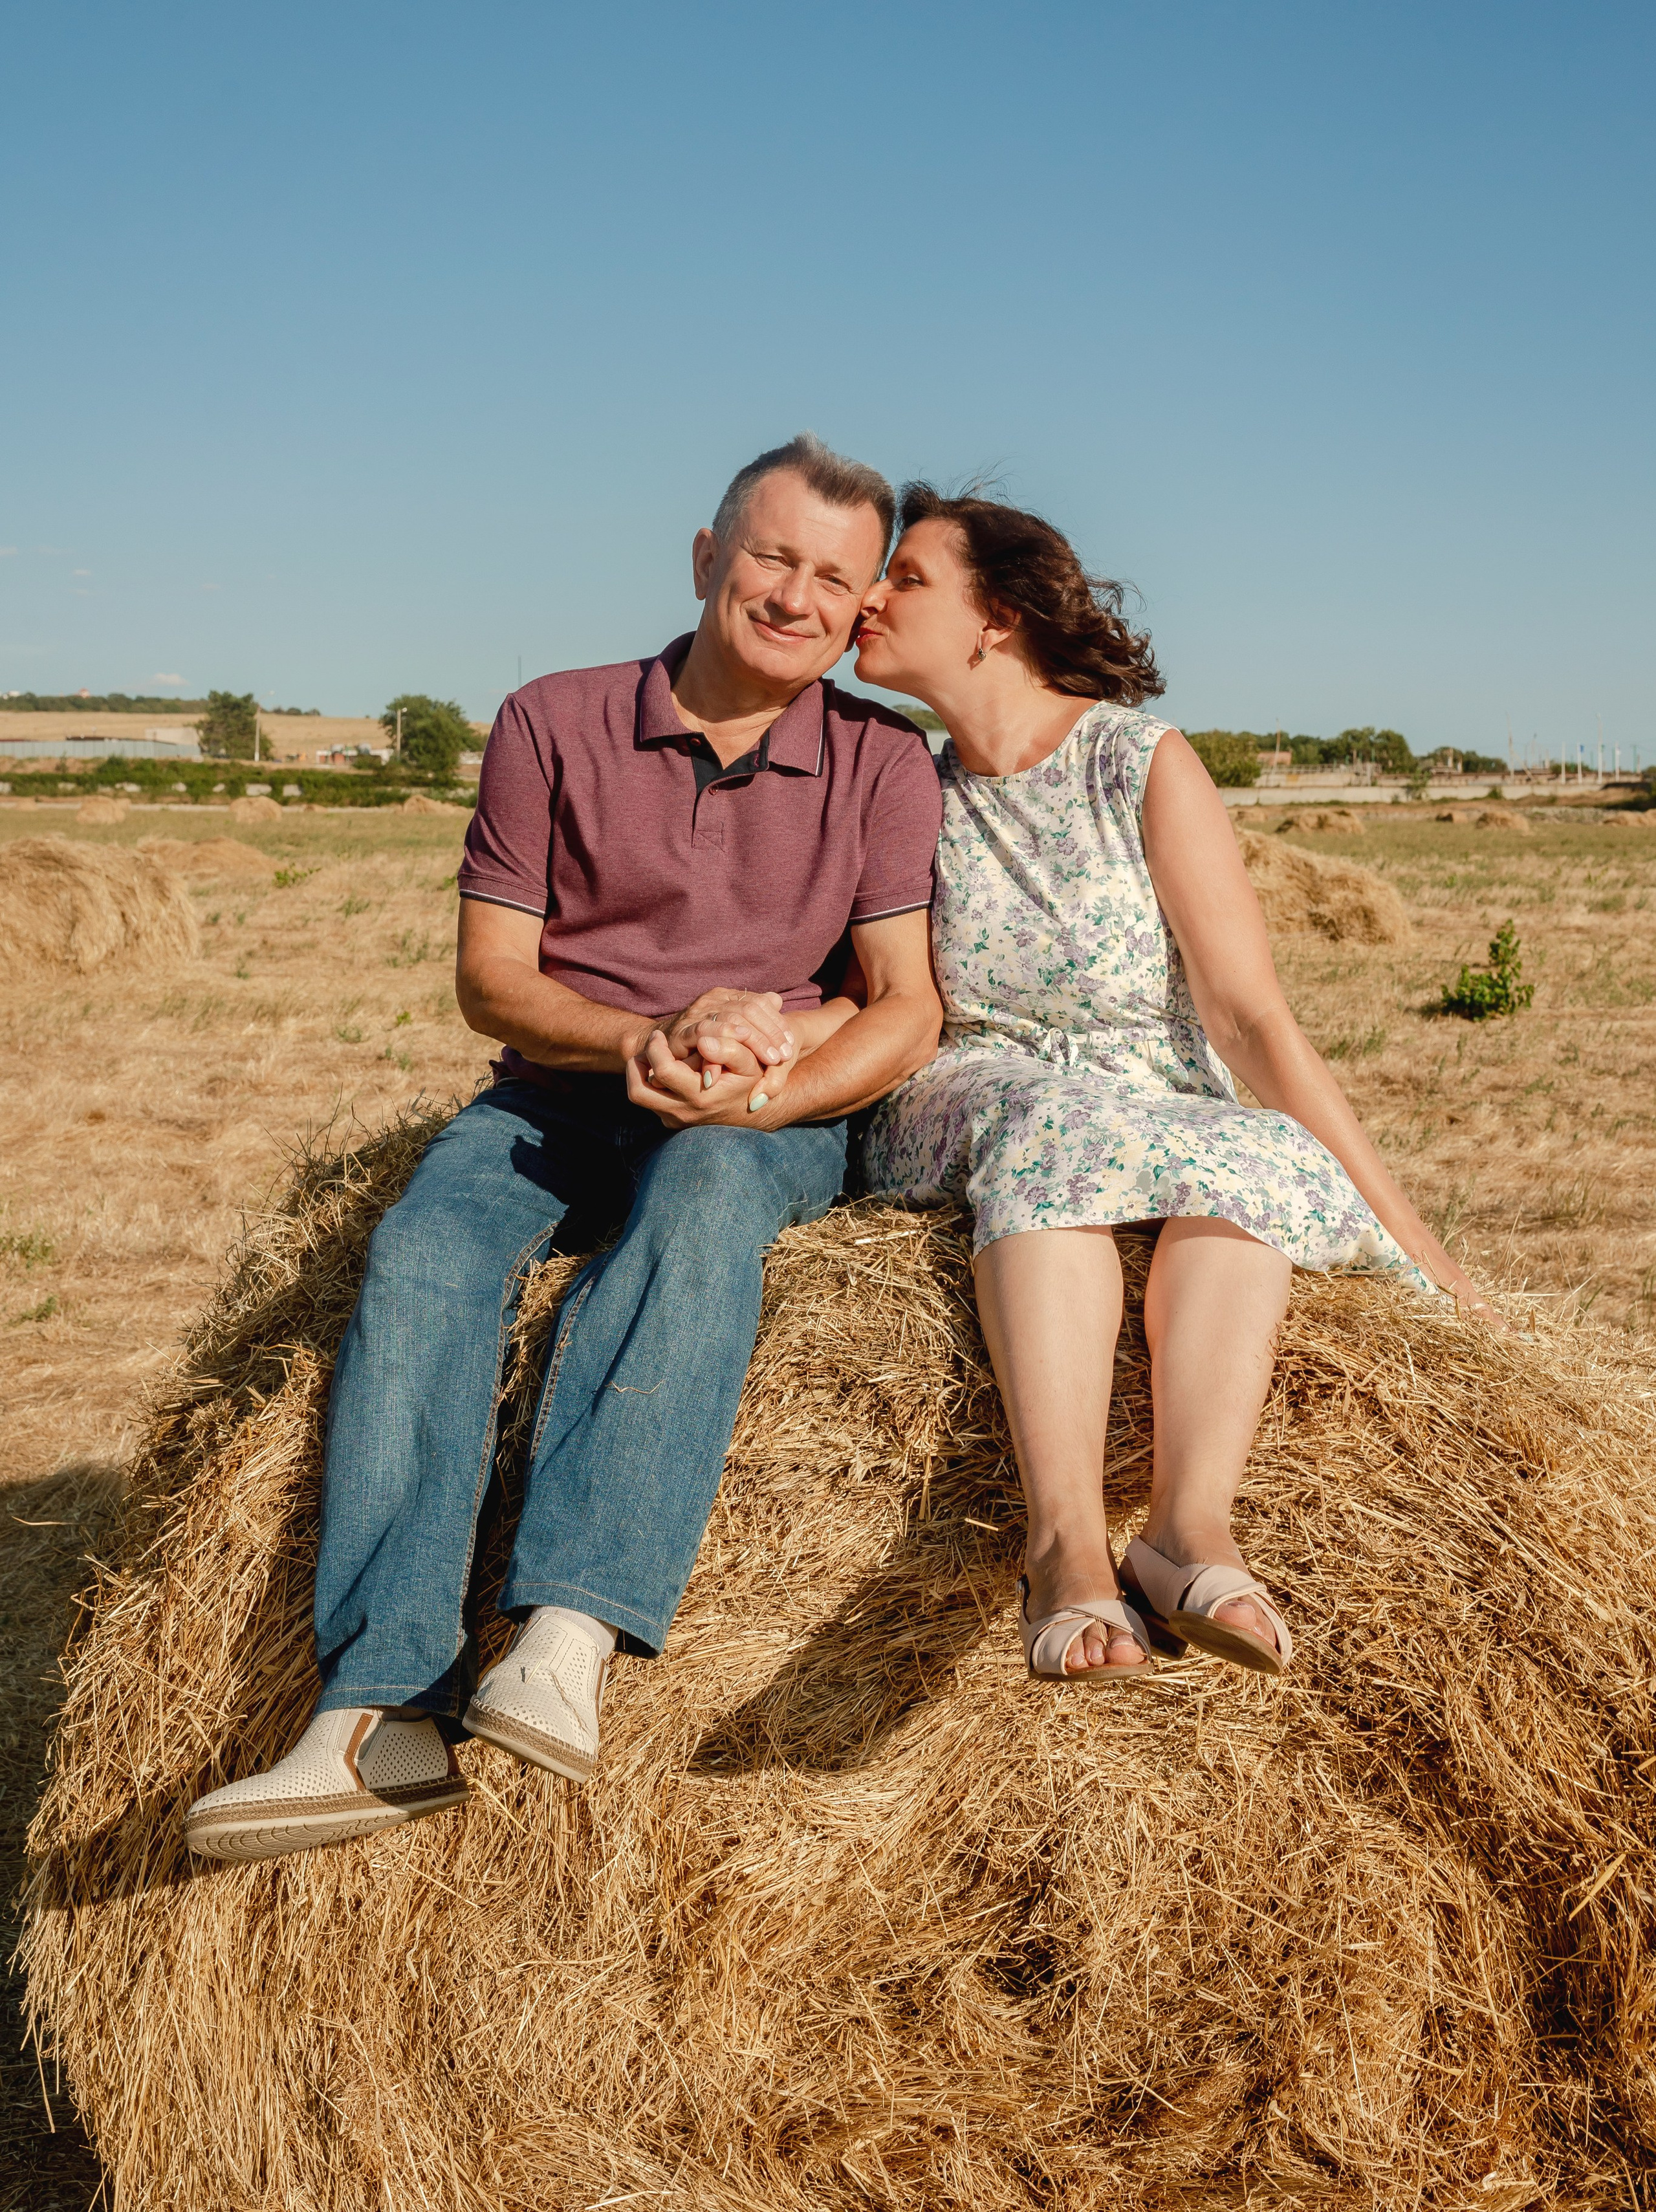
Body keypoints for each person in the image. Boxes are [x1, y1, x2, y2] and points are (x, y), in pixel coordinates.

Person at [185, 435, 942, 1859]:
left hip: (756, 1112)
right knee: (422, 1251)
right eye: (770, 554)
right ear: (707, 556)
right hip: (558, 1093)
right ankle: (378, 1712)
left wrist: (766, 1097)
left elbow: (906, 1005)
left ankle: (567, 1635)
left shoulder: (883, 761)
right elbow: (494, 982)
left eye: (832, 577)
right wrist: (640, 1041)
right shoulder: (553, 719)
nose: (793, 594)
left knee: (710, 1193)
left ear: (858, 613)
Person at [852, 486, 1487, 1689]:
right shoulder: (901, 782)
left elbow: (1248, 1017)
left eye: (907, 578)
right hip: (979, 1089)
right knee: (1056, 1125)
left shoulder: (1139, 762)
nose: (867, 598)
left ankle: (1188, 1531)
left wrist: (1425, 1253)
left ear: (995, 617)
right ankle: (1062, 1548)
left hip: (1153, 1090)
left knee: (1250, 1155)